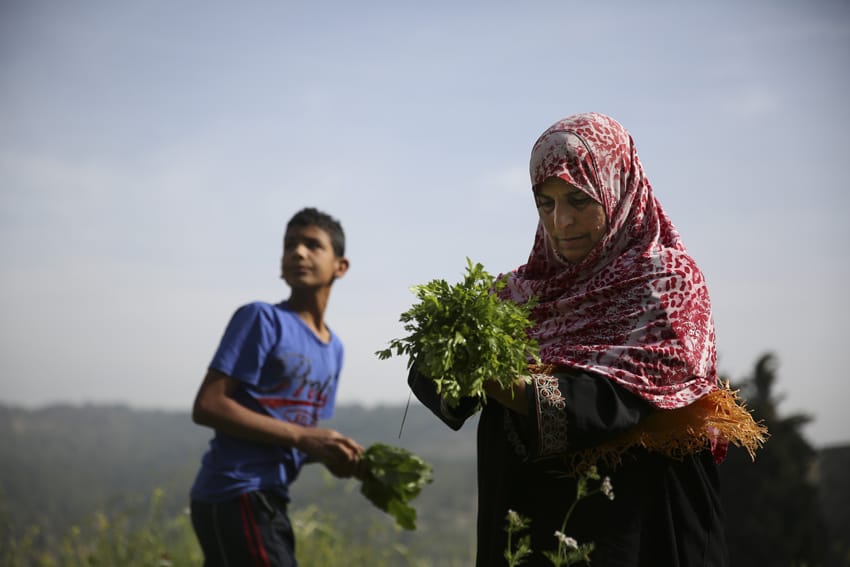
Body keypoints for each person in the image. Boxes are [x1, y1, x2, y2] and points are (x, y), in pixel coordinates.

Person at [409, 113, 766, 566]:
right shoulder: (516, 295)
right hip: (529, 534)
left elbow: (618, 400)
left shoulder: (668, 283)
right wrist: (452, 352)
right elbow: (441, 385)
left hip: (640, 532)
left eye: (579, 199)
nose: (562, 221)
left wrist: (505, 382)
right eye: (546, 203)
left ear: (617, 190)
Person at [189, 207, 364, 567]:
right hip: (236, 490)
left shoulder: (335, 349)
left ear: (340, 266)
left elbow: (295, 433)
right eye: (290, 245)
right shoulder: (262, 319)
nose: (298, 252)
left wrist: (332, 453)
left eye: (313, 245)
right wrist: (303, 438)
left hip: (269, 496)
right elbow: (208, 404)